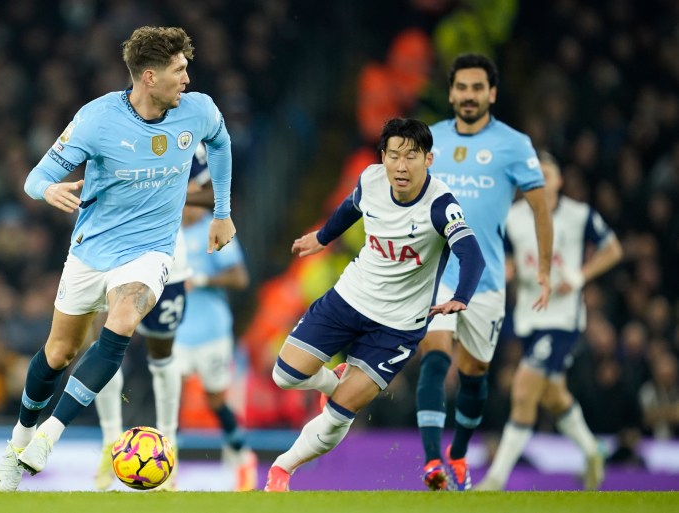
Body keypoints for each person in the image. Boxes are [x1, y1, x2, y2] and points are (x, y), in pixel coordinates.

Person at [0, 26, 236, 492]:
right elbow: (35, 178)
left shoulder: (198, 111)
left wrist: (222, 213)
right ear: (149, 77)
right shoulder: (97, 120)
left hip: (149, 251)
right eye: (179, 70)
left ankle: (50, 434)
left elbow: (222, 144)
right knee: (59, 352)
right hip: (92, 249)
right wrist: (50, 189)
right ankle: (17, 444)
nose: (188, 78)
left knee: (124, 316)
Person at [263, 118, 486, 492]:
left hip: (398, 325)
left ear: (428, 159)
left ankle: (281, 469)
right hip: (351, 296)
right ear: (382, 156)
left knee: (338, 416)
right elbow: (351, 208)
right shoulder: (371, 179)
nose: (401, 166)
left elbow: (472, 255)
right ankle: (331, 381)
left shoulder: (441, 205)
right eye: (394, 155)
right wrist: (322, 237)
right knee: (284, 375)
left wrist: (460, 297)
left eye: (411, 156)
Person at [415, 53, 553, 491]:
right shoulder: (429, 140)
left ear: (491, 93)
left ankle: (457, 455)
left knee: (475, 372)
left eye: (478, 88)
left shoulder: (514, 144)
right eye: (462, 88)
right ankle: (433, 463)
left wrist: (544, 270)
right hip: (438, 272)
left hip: (487, 279)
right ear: (451, 92)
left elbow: (540, 210)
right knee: (435, 354)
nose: (469, 96)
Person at [474, 151, 622, 491]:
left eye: (545, 174)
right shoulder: (512, 218)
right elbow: (507, 260)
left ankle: (497, 478)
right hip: (528, 318)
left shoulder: (578, 215)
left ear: (558, 181)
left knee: (524, 388)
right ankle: (591, 452)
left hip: (563, 319)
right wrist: (505, 273)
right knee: (553, 396)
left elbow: (613, 249)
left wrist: (582, 275)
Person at [92, 147, 213, 492]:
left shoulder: (189, 138)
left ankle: (168, 448)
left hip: (168, 263)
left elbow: (214, 194)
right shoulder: (108, 128)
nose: (182, 88)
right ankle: (109, 443)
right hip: (114, 256)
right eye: (177, 85)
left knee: (162, 357)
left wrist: (176, 195)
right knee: (105, 350)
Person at [172, 194, 256, 491]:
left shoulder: (217, 228)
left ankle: (243, 458)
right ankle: (167, 471)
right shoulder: (168, 230)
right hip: (178, 332)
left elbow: (240, 278)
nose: (188, 206)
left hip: (213, 332)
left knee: (215, 400)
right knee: (172, 399)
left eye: (193, 200)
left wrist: (203, 280)